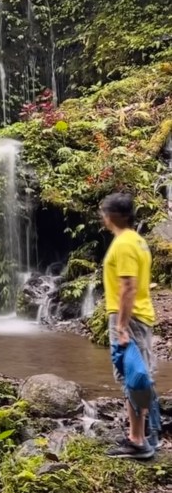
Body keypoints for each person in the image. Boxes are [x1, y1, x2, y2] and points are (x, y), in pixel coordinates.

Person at [101, 192, 162, 459]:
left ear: (113, 215)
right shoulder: (138, 241)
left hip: (130, 317)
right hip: (141, 315)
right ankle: (148, 433)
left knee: (133, 377)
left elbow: (128, 286)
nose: (101, 216)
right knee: (140, 374)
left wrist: (122, 326)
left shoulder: (124, 243)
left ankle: (137, 440)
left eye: (103, 211)